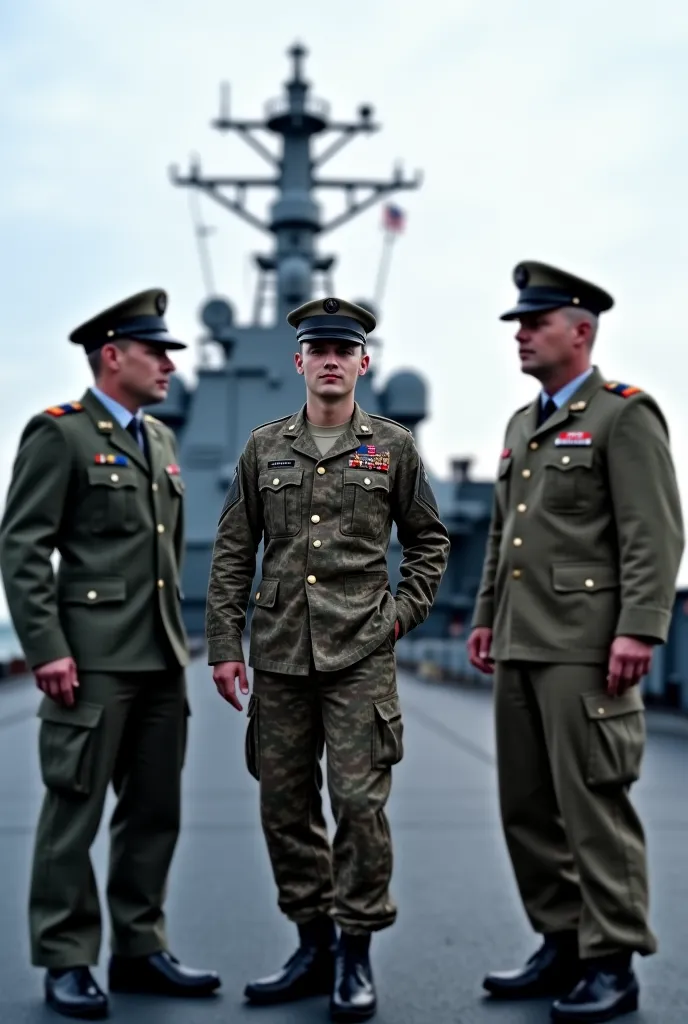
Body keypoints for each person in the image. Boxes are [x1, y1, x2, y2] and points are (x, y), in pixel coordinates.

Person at [206, 296, 450, 1022]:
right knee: (284, 807)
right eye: (321, 349)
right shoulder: (263, 449)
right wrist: (225, 644)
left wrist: (399, 616)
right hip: (280, 657)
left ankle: (355, 951)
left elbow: (430, 544)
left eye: (346, 349)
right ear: (301, 362)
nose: (333, 360)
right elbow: (231, 552)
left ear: (363, 362)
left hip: (360, 656)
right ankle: (312, 943)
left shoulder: (393, 448)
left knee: (358, 806)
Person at [467, 261, 684, 1022]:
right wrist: (487, 613)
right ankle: (560, 941)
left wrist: (638, 631)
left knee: (593, 802)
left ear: (581, 330)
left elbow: (653, 534)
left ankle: (612, 960)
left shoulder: (624, 416)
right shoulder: (522, 425)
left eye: (535, 323)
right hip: (523, 642)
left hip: (588, 647)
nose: (520, 335)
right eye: (518, 325)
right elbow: (504, 535)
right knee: (524, 804)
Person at [0, 289, 221, 1020]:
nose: (168, 364)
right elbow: (23, 547)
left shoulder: (158, 441)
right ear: (111, 355)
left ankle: (138, 948)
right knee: (73, 813)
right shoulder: (59, 435)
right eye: (155, 351)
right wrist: (47, 649)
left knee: (154, 813)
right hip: (89, 662)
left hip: (160, 656)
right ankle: (66, 958)